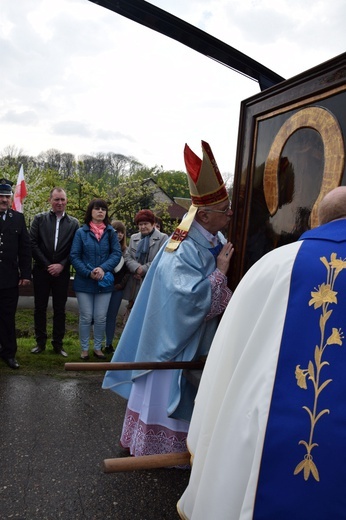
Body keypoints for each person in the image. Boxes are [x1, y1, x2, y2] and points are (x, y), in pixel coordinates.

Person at [178, 186, 346, 520]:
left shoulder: (271, 265)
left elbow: (227, 361)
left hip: (266, 439)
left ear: (318, 217)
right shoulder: (186, 248)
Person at [103, 141, 234, 458]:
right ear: (202, 215)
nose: (230, 214)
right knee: (164, 393)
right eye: (223, 211)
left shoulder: (213, 236)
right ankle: (161, 448)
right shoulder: (183, 244)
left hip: (191, 339)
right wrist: (219, 272)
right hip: (171, 342)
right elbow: (182, 298)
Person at [70, 198, 122, 360]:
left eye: (103, 209)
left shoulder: (110, 233)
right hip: (84, 282)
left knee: (100, 317)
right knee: (86, 316)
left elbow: (116, 254)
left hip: (104, 282)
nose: (101, 211)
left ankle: (98, 348)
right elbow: (74, 255)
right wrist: (88, 272)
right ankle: (84, 349)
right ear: (90, 211)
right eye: (97, 208)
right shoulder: (81, 232)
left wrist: (102, 268)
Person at [30, 187, 79, 357]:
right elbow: (33, 244)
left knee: (60, 309)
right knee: (40, 308)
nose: (59, 203)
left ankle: (58, 344)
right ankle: (40, 342)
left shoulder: (74, 223)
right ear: (50, 200)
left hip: (62, 272)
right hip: (41, 271)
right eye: (56, 199)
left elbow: (75, 249)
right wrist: (48, 265)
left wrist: (61, 265)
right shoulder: (39, 219)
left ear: (66, 201)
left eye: (62, 199)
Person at [0, 178, 31, 369]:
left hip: (9, 278)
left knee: (8, 317)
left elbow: (24, 249)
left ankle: (9, 353)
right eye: (1, 196)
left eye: (7, 196)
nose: (4, 200)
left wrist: (25, 274)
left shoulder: (18, 218)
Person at [122, 209, 168, 309]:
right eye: (140, 224)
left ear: (152, 224)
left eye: (145, 223)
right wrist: (137, 268)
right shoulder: (134, 237)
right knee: (133, 310)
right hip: (135, 282)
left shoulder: (163, 238)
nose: (143, 227)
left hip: (152, 283)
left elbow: (162, 259)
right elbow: (127, 256)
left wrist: (144, 269)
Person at [104, 220, 130, 354]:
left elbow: (127, 271)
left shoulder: (126, 251)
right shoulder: (104, 247)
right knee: (100, 315)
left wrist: (121, 285)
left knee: (112, 316)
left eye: (122, 232)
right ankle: (99, 344)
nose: (119, 235)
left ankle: (109, 343)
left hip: (117, 289)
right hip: (103, 288)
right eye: (116, 231)